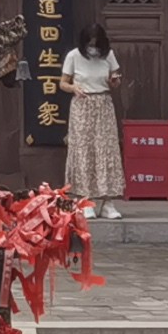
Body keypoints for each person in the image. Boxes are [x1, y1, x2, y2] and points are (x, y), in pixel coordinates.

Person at [62, 22, 126, 205]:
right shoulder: (73, 56)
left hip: (103, 104)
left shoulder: (109, 55)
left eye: (96, 45)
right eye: (90, 44)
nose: (93, 49)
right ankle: (85, 200)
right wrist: (73, 87)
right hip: (82, 106)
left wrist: (114, 81)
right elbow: (63, 83)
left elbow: (114, 79)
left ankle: (108, 202)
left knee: (106, 150)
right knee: (84, 150)